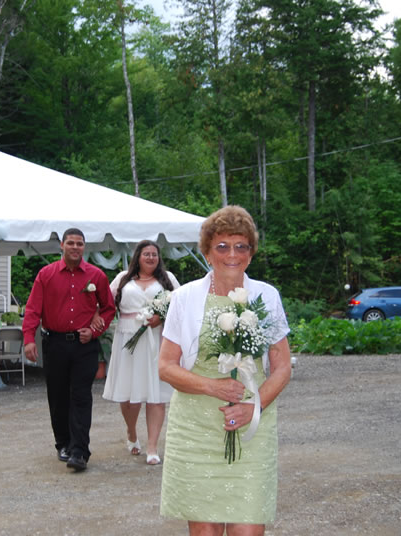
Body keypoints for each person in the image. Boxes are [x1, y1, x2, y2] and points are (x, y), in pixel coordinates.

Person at [158, 206, 292, 535]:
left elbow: (282, 366)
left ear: (251, 251)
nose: (232, 254)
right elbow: (165, 367)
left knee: (248, 529)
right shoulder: (185, 298)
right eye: (222, 246)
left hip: (252, 426)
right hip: (195, 428)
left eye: (241, 246)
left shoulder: (267, 296)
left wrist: (253, 405)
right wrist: (212, 386)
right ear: (206, 250)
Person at [22, 228, 116, 472]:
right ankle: (62, 443)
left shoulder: (96, 276)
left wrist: (95, 330)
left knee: (81, 397)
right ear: (62, 246)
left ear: (84, 247)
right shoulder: (46, 274)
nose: (75, 247)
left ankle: (79, 451)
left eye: (80, 244)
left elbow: (108, 308)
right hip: (55, 344)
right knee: (58, 396)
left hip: (85, 345)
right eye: (71, 243)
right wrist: (28, 338)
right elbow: (33, 309)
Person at [103, 240, 180, 465]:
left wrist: (162, 317)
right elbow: (106, 304)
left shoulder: (168, 279)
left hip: (157, 340)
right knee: (128, 395)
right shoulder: (123, 279)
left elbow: (179, 306)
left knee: (155, 394)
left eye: (154, 254)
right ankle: (131, 431)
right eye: (146, 254)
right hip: (128, 338)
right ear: (138, 256)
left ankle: (153, 446)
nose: (150, 258)